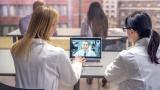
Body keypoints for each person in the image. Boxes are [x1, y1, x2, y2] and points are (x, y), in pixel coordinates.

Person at [11, 6, 85, 90]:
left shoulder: (15, 48)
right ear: (47, 26)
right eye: (54, 24)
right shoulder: (56, 53)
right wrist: (77, 63)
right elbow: (71, 80)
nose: (55, 28)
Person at [104, 11, 160, 90]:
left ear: (131, 31)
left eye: (125, 29)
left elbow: (109, 76)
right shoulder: (157, 48)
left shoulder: (128, 56)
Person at [80, 1, 108, 85]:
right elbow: (105, 34)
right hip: (103, 45)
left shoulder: (87, 19)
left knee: (89, 61)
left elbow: (82, 34)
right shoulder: (104, 18)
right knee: (103, 62)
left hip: (91, 46)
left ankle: (90, 76)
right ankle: (105, 77)